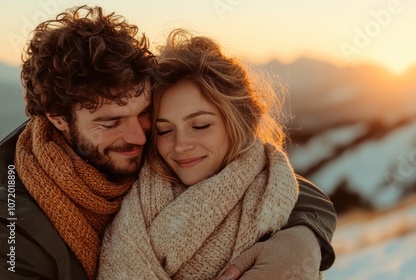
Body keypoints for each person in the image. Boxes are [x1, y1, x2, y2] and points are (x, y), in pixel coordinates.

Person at [0, 5, 335, 280]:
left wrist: (304, 236)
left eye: (144, 113)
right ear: (58, 118)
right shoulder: (15, 230)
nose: (137, 137)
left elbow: (259, 177)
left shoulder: (152, 148)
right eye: (111, 122)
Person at [98, 29, 327, 280]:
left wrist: (304, 236)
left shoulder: (276, 199)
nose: (181, 145)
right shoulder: (126, 184)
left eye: (200, 126)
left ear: (238, 122)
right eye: (164, 130)